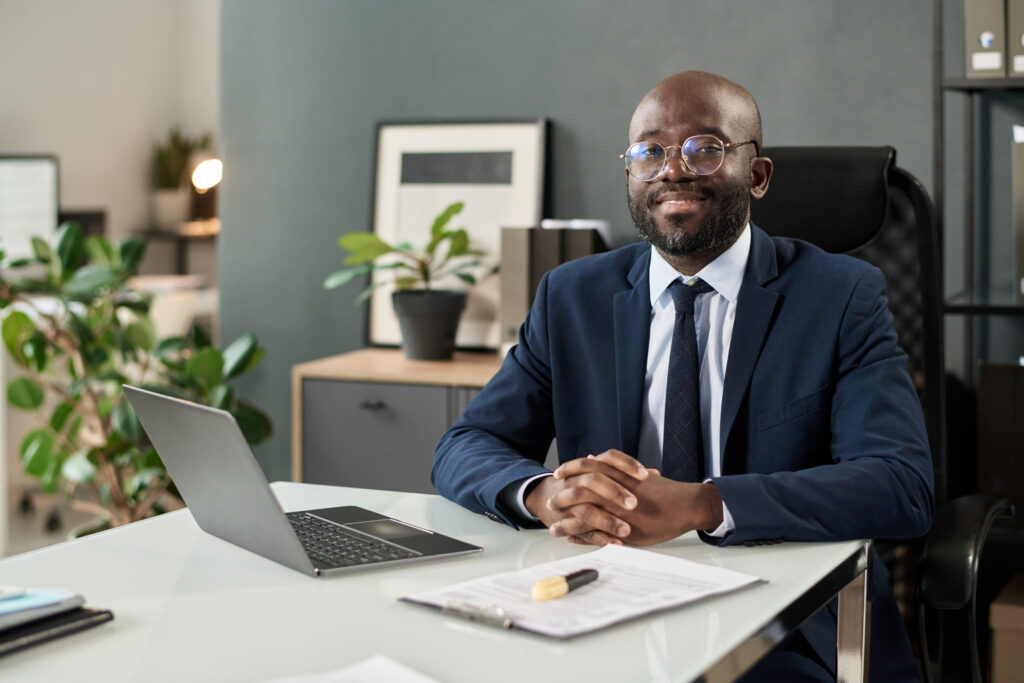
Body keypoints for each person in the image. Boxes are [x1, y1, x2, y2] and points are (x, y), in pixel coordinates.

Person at [432, 70, 934, 681]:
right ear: (630, 174)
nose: (673, 169)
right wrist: (545, 494)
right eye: (649, 151)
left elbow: (900, 485)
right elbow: (466, 445)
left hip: (786, 624)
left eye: (705, 148)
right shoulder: (572, 296)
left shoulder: (840, 296)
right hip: (603, 598)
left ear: (757, 175)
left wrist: (703, 505)